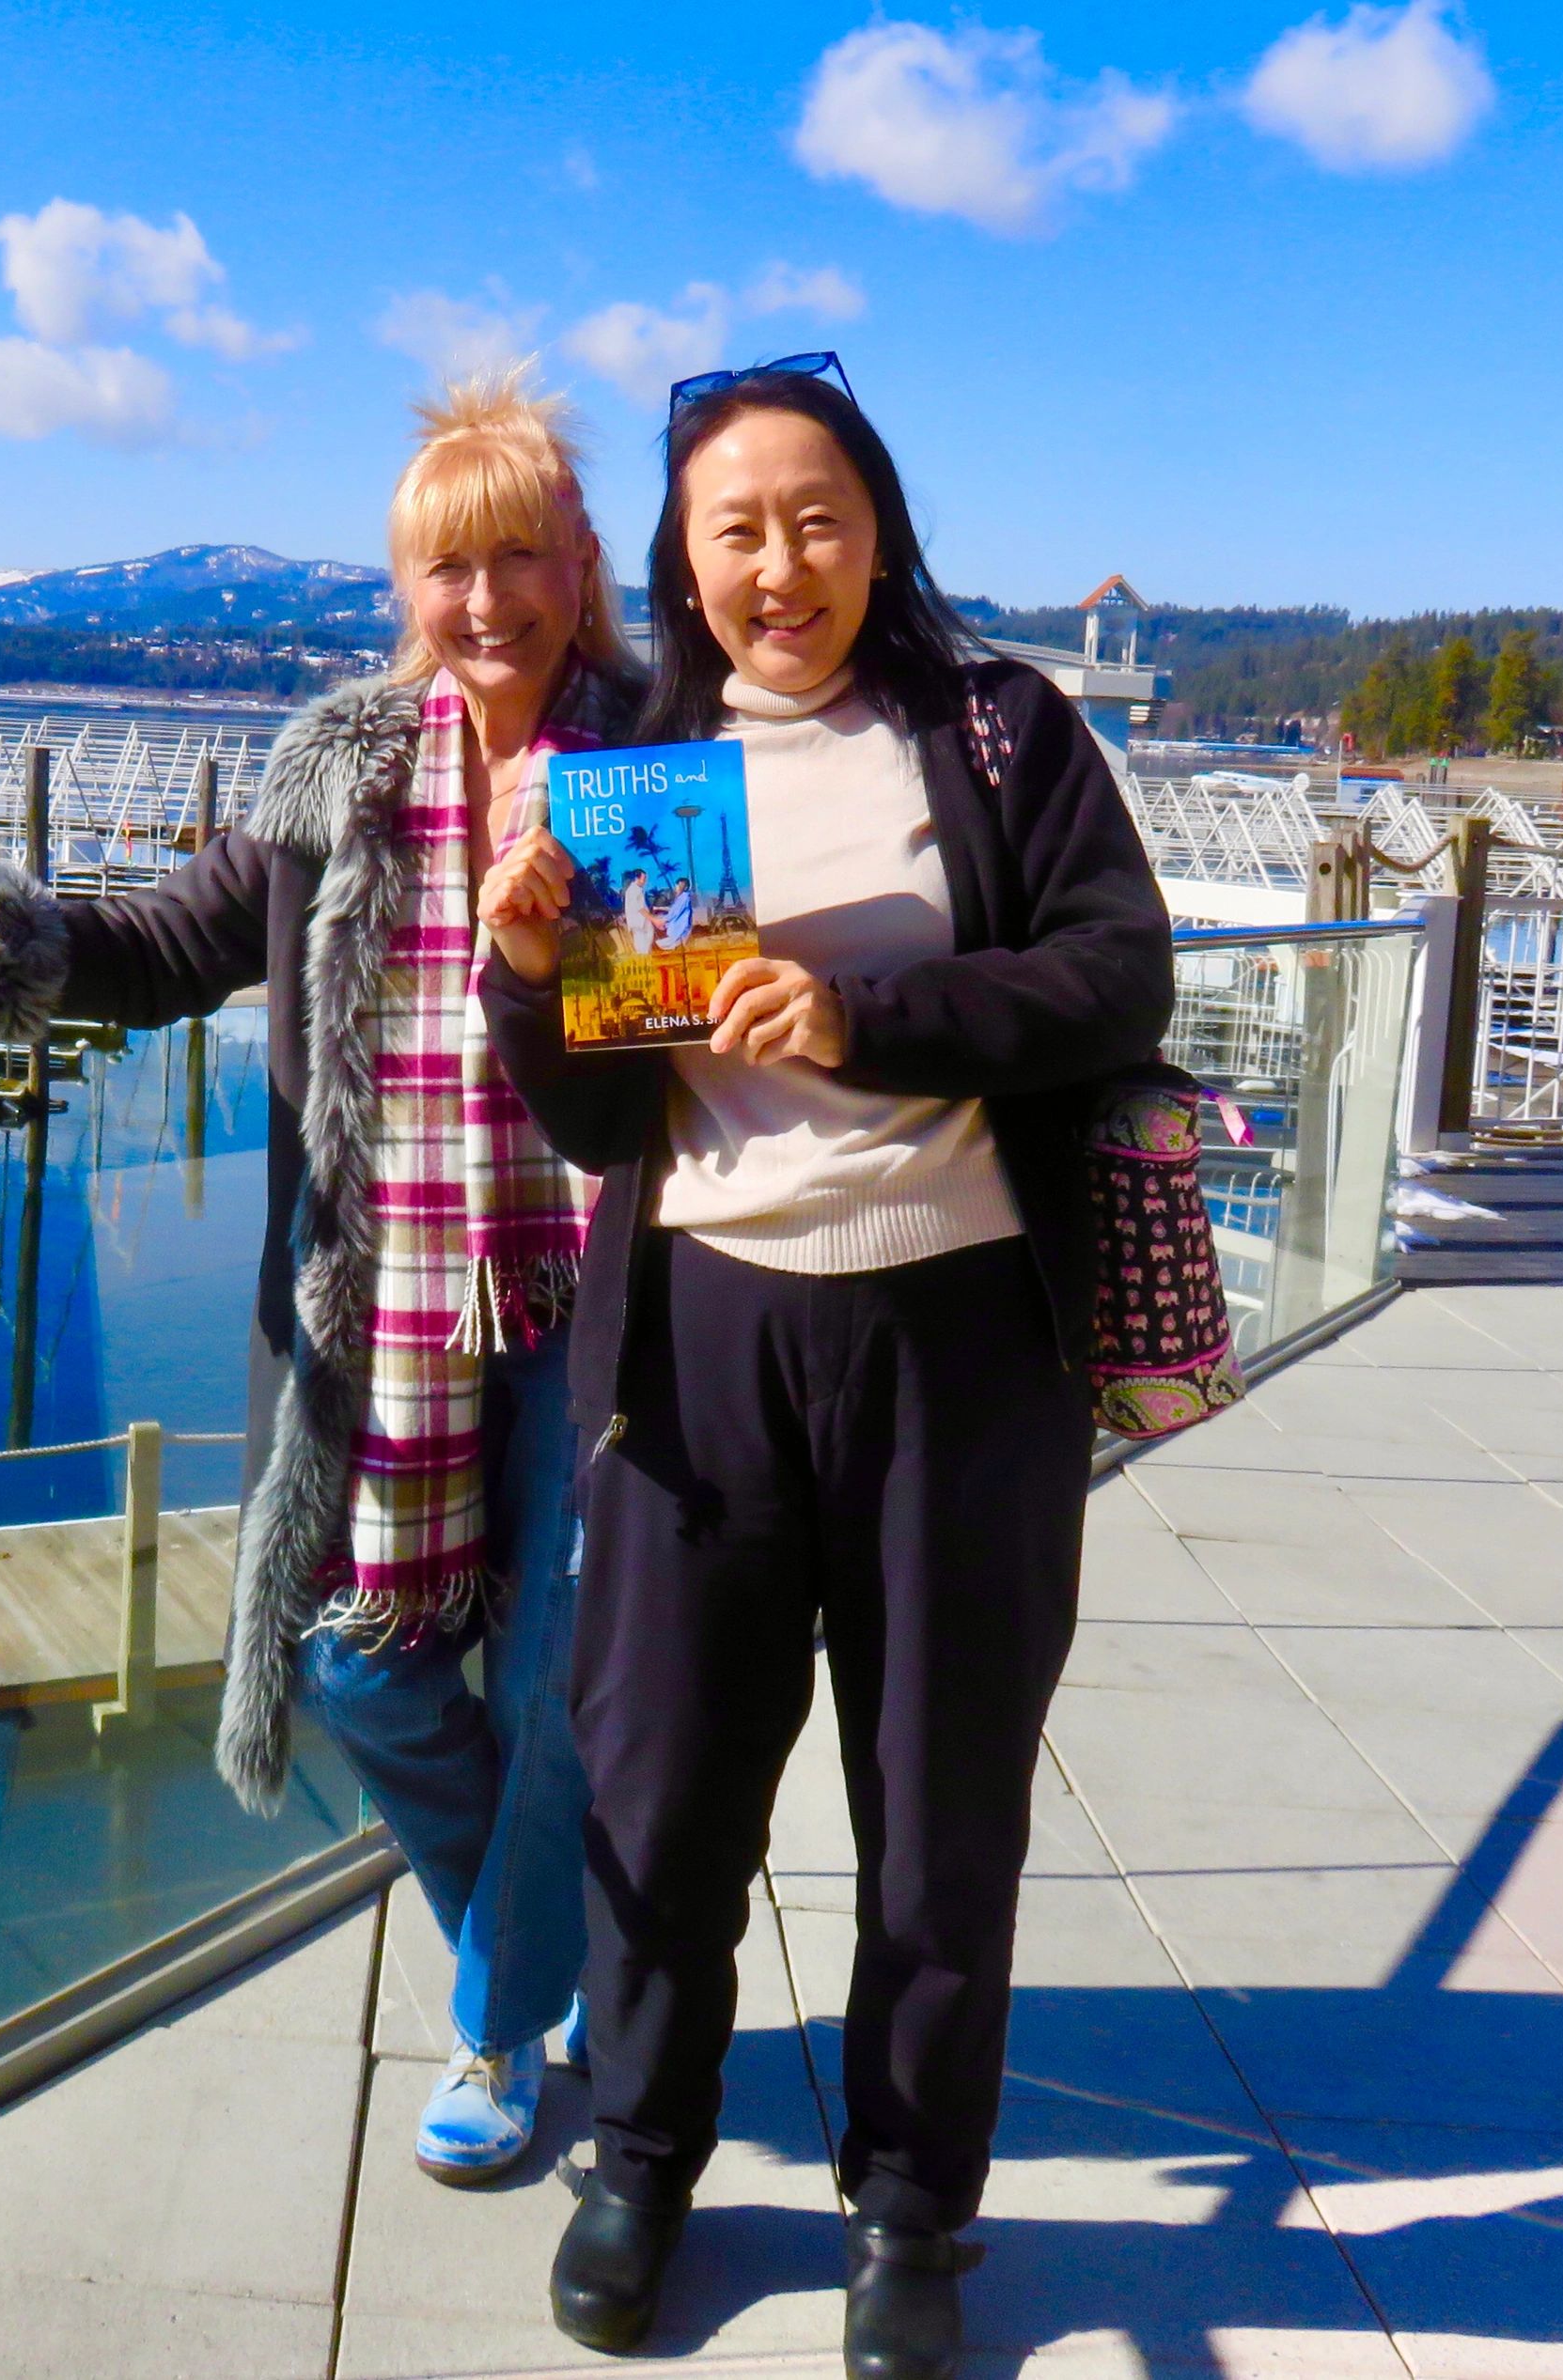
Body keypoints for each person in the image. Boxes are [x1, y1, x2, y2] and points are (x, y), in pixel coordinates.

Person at [0, 369, 645, 2186]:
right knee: (363, 1667)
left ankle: (500, 2017)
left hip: (615, 1309)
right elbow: (160, 936)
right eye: (443, 566)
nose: (481, 601)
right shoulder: (340, 774)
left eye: (517, 557)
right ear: (401, 588)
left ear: (580, 567)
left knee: (573, 1683)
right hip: (386, 1305)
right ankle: (562, 1930)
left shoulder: (662, 762)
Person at [477, 359, 1172, 2378]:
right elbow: (602, 1128)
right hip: (702, 1335)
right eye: (734, 529)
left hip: (961, 1336)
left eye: (817, 518)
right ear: (682, 566)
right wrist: (531, 973)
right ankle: (639, 2150)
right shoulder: (629, 766)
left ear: (876, 528)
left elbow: (1110, 970)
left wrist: (858, 1014)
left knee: (940, 1809)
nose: (780, 564)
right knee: (662, 1783)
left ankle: (908, 2207)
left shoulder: (992, 728)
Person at [619, 865, 657, 955]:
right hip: (639, 923)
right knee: (642, 947)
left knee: (646, 945)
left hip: (642, 922)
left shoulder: (637, 890)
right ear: (637, 878)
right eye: (643, 878)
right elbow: (640, 908)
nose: (644, 881)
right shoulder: (633, 890)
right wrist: (653, 919)